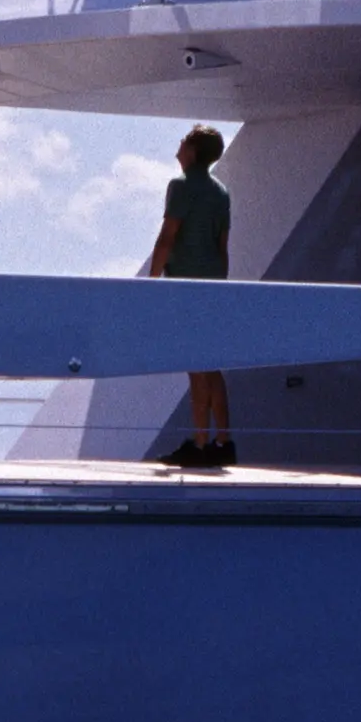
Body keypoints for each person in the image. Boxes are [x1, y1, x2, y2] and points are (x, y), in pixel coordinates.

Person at [146, 124, 234, 470]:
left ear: (193, 151)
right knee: (208, 365)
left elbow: (167, 238)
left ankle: (203, 443)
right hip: (212, 285)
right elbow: (222, 247)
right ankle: (220, 440)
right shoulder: (222, 192)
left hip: (185, 287)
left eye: (183, 142)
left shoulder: (180, 187)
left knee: (197, 369)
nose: (178, 147)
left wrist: (151, 283)